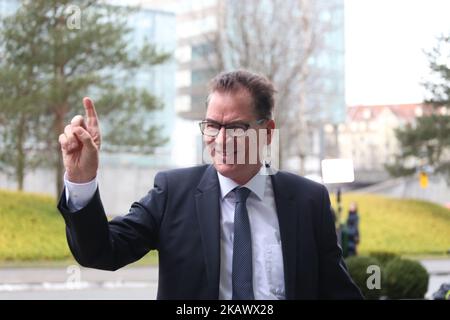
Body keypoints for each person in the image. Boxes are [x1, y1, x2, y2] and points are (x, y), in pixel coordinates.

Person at [57, 70, 362, 299]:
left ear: (267, 133)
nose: (222, 139)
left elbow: (339, 293)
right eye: (213, 125)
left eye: (237, 127)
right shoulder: (172, 192)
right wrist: (81, 180)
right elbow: (100, 252)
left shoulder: (308, 200)